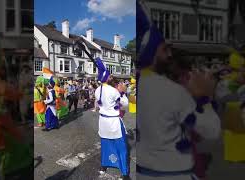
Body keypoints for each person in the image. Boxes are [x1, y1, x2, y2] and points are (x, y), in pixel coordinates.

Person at [137, 2, 220, 180]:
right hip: (172, 174)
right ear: (152, 50)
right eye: (164, 49)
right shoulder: (171, 91)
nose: (168, 55)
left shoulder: (139, 84)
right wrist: (206, 96)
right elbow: (211, 131)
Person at [94, 58, 130, 180]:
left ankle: (104, 166)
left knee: (105, 144)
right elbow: (124, 104)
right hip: (114, 122)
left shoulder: (97, 90)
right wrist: (123, 92)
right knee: (121, 147)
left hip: (103, 122)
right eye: (110, 76)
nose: (111, 77)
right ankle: (124, 173)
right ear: (107, 78)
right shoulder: (114, 91)